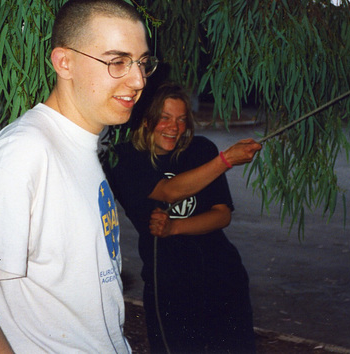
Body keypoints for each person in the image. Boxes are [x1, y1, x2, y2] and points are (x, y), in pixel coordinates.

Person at [0, 0, 156, 353]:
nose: (138, 80)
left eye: (142, 62)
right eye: (118, 62)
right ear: (64, 62)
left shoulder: (77, 144)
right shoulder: (26, 150)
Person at [108, 83, 262, 353]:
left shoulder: (201, 149)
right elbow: (169, 192)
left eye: (181, 119)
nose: (174, 127)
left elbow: (222, 215)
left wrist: (175, 227)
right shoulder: (125, 158)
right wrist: (226, 160)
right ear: (146, 120)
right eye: (164, 118)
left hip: (222, 274)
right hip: (170, 282)